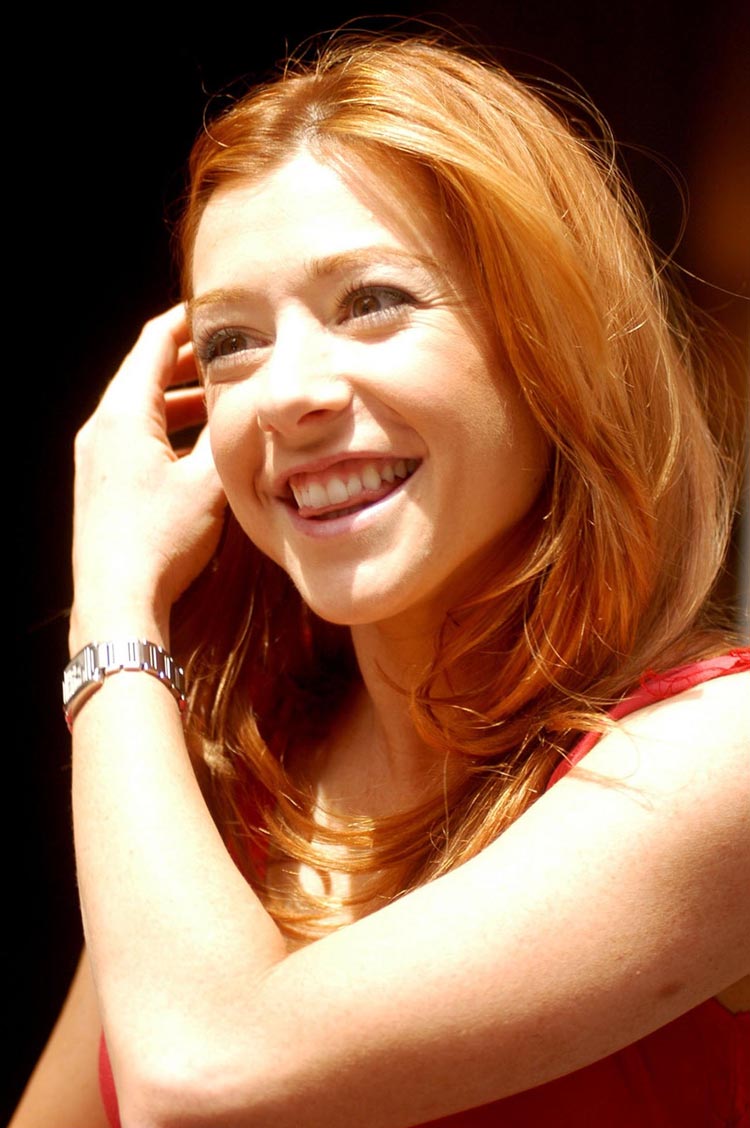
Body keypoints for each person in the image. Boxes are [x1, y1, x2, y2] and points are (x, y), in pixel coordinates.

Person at [13, 34, 749, 1128]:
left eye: (373, 301)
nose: (287, 393)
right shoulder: (227, 779)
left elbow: (203, 1073)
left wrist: (114, 600)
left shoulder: (721, 754)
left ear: (552, 343)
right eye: (232, 342)